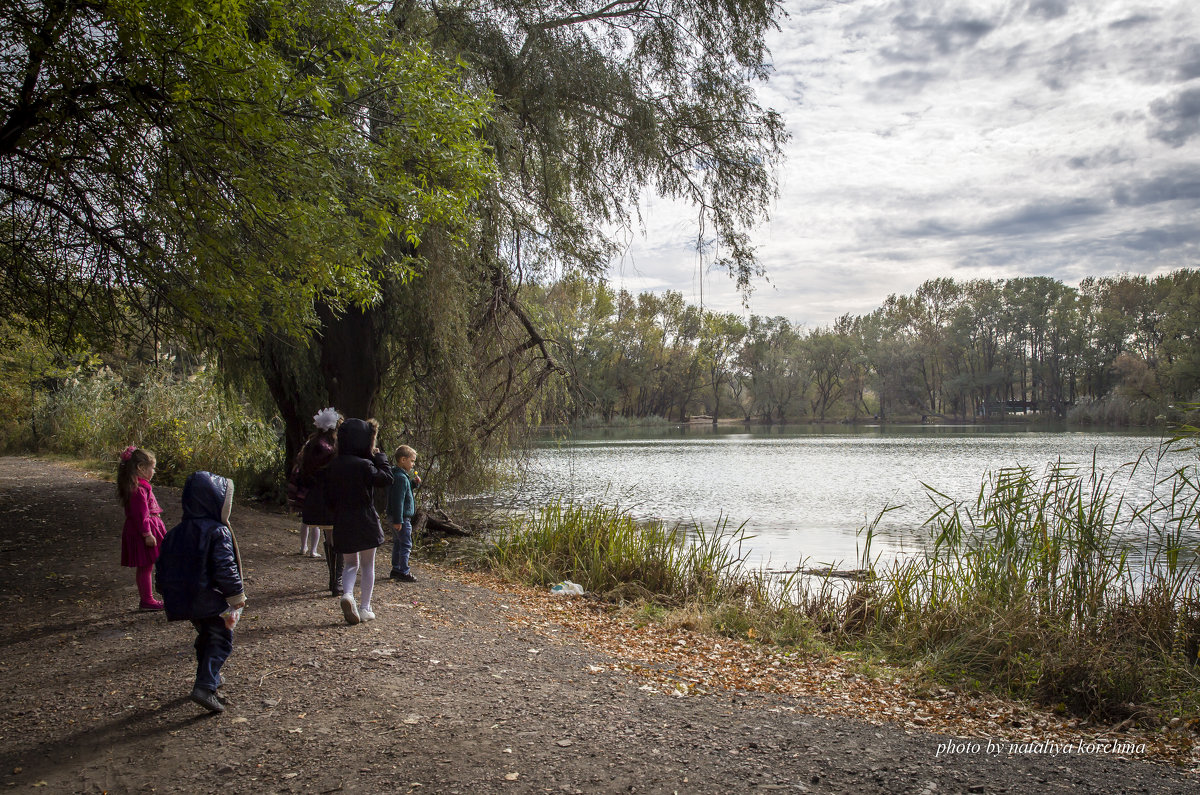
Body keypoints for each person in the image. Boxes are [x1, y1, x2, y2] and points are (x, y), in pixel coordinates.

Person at [155, 471, 247, 714]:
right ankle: (205, 685)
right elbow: (225, 568)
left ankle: (211, 678)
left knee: (206, 637)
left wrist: (162, 589)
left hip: (185, 599)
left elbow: (163, 565)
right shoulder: (218, 531)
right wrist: (236, 596)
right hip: (210, 599)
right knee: (221, 641)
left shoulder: (175, 532)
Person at [325, 418, 392, 625]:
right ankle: (365, 608)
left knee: (350, 564)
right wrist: (380, 457)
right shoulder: (364, 465)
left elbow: (328, 495)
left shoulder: (334, 464)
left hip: (343, 520)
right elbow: (386, 479)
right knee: (368, 564)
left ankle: (347, 594)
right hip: (365, 519)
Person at [288, 408, 341, 589]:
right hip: (330, 499)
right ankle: (336, 580)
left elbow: (301, 476)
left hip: (314, 500)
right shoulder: (333, 452)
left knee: (329, 537)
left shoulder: (310, 447)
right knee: (335, 538)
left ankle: (334, 578)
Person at [117, 445, 167, 611]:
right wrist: (147, 534)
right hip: (144, 531)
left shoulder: (139, 486)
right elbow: (141, 514)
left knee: (147, 566)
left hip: (147, 529)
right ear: (140, 468)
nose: (154, 472)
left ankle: (149, 598)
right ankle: (147, 600)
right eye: (152, 468)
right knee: (146, 566)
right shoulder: (139, 489)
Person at [387, 444, 421, 583]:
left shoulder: (400, 475)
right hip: (401, 518)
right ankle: (403, 571)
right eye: (412, 461)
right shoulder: (400, 478)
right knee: (406, 544)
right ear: (402, 459)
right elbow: (398, 500)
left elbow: (405, 490)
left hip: (397, 517)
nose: (413, 464)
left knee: (398, 543)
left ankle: (396, 568)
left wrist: (413, 483)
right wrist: (398, 520)